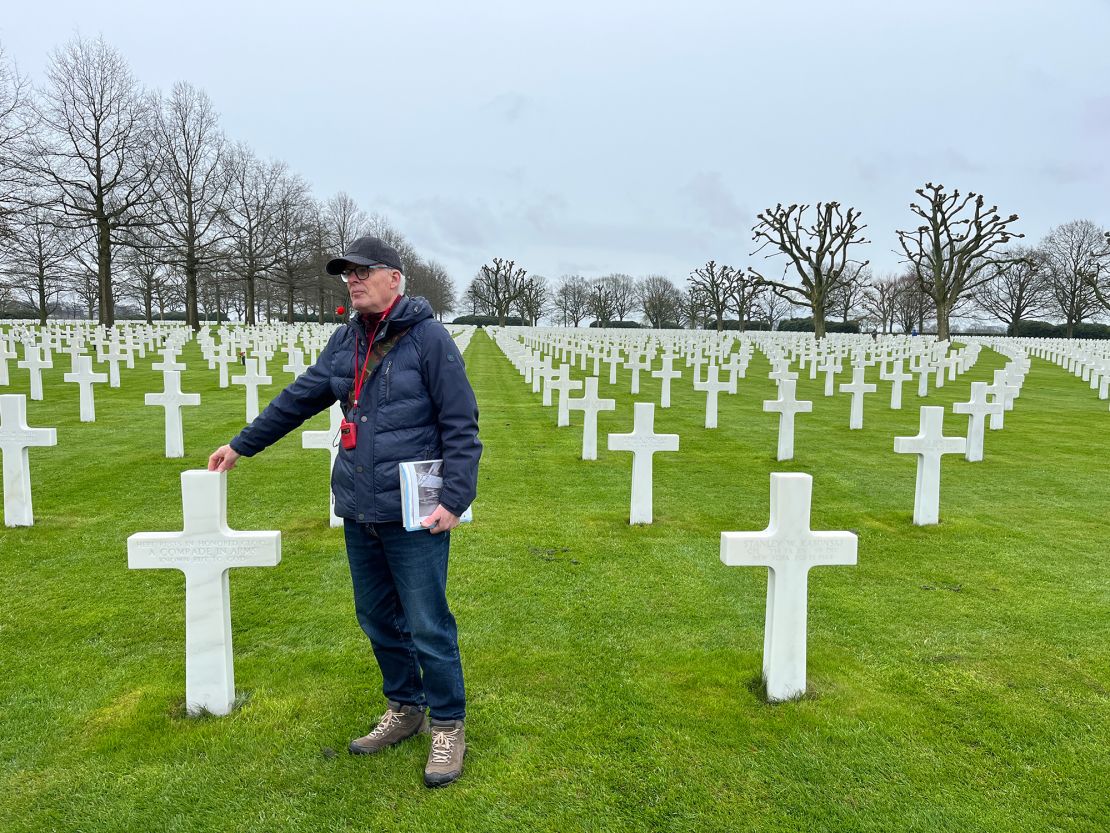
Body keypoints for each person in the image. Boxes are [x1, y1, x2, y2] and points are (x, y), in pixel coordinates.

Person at [208, 235, 481, 788]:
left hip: (414, 509)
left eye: (363, 271)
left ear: (395, 279)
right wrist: (242, 444)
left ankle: (448, 725)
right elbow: (298, 398)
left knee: (428, 621)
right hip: (360, 506)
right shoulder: (345, 341)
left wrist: (455, 498)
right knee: (377, 617)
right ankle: (405, 708)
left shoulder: (429, 340)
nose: (353, 280)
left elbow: (461, 423)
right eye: (347, 274)